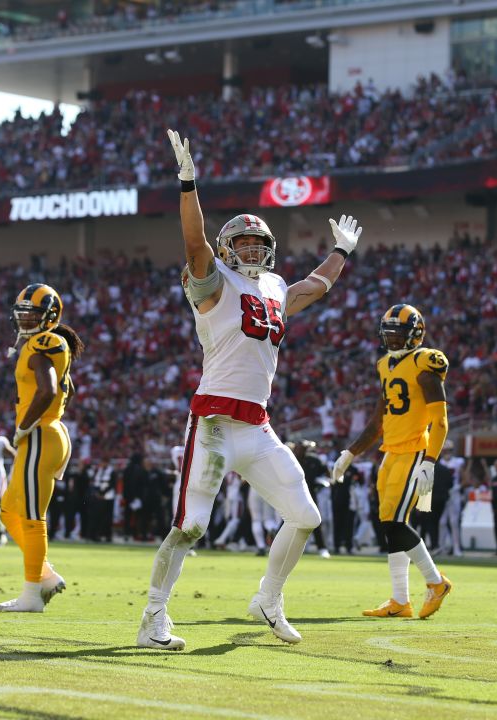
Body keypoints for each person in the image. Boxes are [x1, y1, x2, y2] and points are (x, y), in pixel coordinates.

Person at [137, 129, 362, 650]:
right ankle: (153, 616)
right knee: (190, 526)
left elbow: (314, 286)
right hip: (214, 423)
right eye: (243, 242)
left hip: (258, 425)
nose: (253, 249)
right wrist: (188, 185)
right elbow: (194, 243)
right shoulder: (212, 280)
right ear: (226, 249)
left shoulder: (274, 287)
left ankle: (268, 597)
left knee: (306, 515)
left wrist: (341, 252)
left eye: (260, 243)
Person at [332, 304, 454, 619]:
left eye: (397, 334)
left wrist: (430, 461)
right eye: (388, 333)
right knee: (390, 524)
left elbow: (440, 421)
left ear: (414, 334)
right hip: (390, 453)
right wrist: (350, 453)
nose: (392, 339)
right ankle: (400, 600)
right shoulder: (385, 365)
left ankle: (436, 582)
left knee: (395, 523)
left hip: (414, 452)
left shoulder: (425, 363)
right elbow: (378, 421)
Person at [0, 283, 81, 612]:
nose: (27, 320)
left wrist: (25, 424)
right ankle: (43, 576)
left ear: (50, 316)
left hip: (41, 433)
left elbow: (48, 389)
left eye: (34, 314)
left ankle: (31, 596)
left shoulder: (45, 343)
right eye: (23, 314)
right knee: (7, 510)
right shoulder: (43, 343)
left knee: (30, 515)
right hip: (45, 433)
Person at [290, 440, 332, 558]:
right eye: (298, 448)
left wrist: (321, 483)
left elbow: (327, 474)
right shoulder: (290, 460)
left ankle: (322, 548)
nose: (300, 451)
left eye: (303, 449)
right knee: (288, 520)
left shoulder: (314, 460)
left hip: (309, 494)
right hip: (292, 494)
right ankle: (283, 548)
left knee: (315, 520)